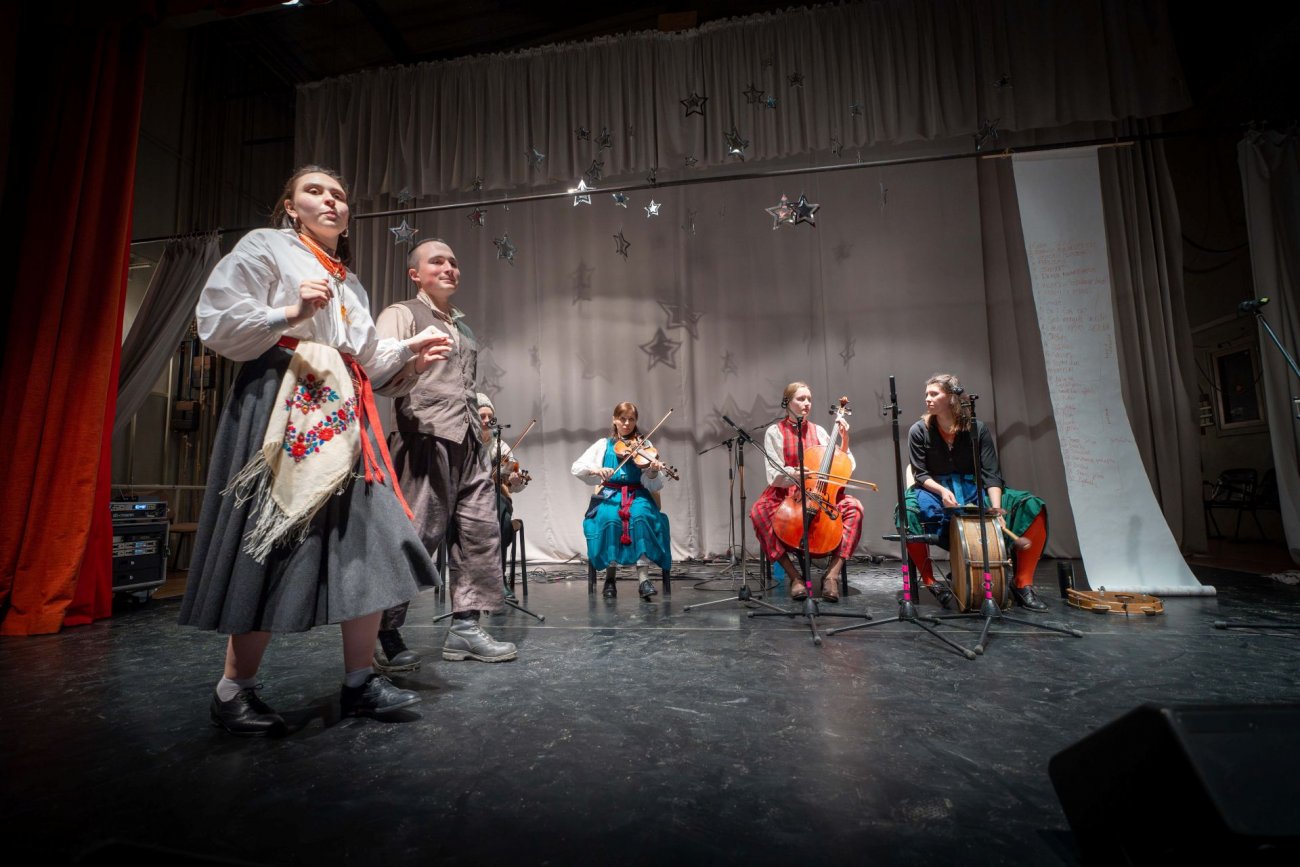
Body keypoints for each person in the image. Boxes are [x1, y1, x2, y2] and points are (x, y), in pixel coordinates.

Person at [179, 166, 452, 736]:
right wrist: (290, 313)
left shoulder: (350, 283)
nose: (330, 200)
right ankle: (233, 689)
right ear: (290, 206)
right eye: (315, 191)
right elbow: (217, 323)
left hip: (346, 410)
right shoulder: (265, 248)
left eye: (339, 195)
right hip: (286, 399)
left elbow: (367, 356)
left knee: (373, 537)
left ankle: (359, 682)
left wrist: (410, 351)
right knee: (278, 534)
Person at [372, 238, 518, 669]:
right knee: (417, 534)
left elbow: (463, 384)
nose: (449, 268)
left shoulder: (463, 329)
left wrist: (480, 421)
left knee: (480, 532)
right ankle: (382, 630)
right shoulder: (401, 314)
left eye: (453, 261)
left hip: (469, 440)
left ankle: (466, 628)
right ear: (415, 274)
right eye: (437, 261)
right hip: (424, 436)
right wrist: (413, 365)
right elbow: (378, 373)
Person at [903, 373, 1050, 611]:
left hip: (973, 490)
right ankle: (931, 582)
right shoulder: (919, 430)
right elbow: (920, 473)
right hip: (934, 491)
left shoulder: (976, 429)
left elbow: (991, 473)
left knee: (1031, 504)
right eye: (926, 394)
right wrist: (941, 491)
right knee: (907, 510)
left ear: (951, 398)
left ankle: (1022, 583)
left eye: (934, 394)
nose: (927, 399)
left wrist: (997, 509)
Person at [749, 382, 864, 602]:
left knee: (854, 508)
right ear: (787, 402)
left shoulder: (819, 431)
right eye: (801, 399)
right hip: (787, 493)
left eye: (809, 399)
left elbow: (843, 466)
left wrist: (844, 440)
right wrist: (796, 472)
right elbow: (774, 474)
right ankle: (795, 577)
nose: (807, 403)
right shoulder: (775, 432)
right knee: (759, 511)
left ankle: (832, 575)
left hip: (821, 493)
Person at [571, 402, 672, 600]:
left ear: (636, 421)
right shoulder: (603, 444)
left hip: (638, 494)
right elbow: (577, 467)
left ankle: (644, 580)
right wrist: (596, 470)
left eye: (631, 419)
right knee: (610, 518)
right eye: (622, 419)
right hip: (610, 493)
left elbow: (653, 484)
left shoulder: (645, 446)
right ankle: (610, 579)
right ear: (614, 420)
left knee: (641, 517)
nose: (626, 423)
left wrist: (652, 471)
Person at [476, 393, 528, 600]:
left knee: (503, 520)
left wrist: (515, 480)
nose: (487, 420)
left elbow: (513, 480)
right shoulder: (465, 443)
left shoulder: (501, 446)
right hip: (471, 501)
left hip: (497, 499)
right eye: (482, 416)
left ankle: (498, 578)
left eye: (490, 416)